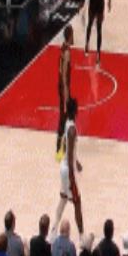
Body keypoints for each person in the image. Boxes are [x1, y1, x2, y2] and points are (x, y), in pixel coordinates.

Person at [51, 98, 84, 241]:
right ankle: (82, 237)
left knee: (63, 198)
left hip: (64, 167)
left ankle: (53, 230)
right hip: (68, 170)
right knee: (77, 202)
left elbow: (67, 148)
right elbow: (69, 153)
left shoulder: (67, 123)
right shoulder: (72, 130)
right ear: (75, 111)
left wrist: (76, 161)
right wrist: (72, 174)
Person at [56, 24, 73, 161]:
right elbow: (64, 75)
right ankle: (61, 148)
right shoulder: (67, 52)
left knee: (64, 116)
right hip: (64, 87)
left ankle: (61, 146)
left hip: (62, 86)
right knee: (65, 117)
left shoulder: (63, 48)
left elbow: (60, 70)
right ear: (70, 36)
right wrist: (66, 93)